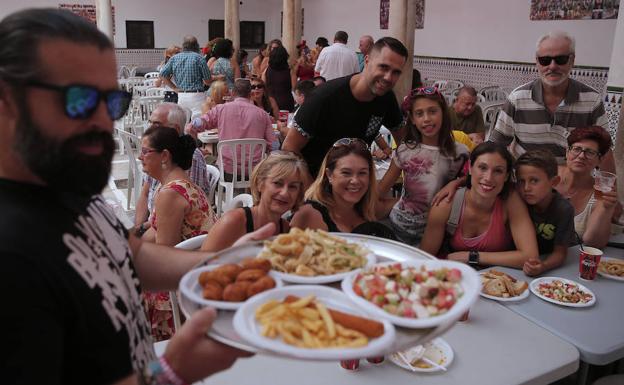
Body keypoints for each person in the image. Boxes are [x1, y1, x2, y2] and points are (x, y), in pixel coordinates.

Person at [0, 8, 258, 385]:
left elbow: (129, 253)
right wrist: (171, 371)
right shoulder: (11, 255)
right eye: (79, 100)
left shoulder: (63, 188)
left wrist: (227, 265)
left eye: (111, 102)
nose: (104, 122)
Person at [488, 31, 613, 172]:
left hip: (572, 180)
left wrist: (608, 187)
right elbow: (497, 145)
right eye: (545, 60)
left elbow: (605, 151)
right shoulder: (518, 99)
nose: (552, 66)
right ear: (537, 62)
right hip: (527, 180)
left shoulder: (591, 101)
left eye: (561, 59)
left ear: (572, 60)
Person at [283, 37, 408, 178]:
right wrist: (312, 193)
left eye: (396, 72)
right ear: (367, 61)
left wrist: (381, 190)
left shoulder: (386, 98)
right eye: (383, 67)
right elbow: (289, 148)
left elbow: (405, 144)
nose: (388, 77)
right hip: (316, 183)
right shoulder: (324, 97)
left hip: (355, 187)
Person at [139, 125, 215, 340]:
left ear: (164, 156)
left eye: (145, 151)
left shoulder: (170, 193)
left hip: (184, 285)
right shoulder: (180, 183)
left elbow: (164, 253)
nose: (139, 156)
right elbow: (154, 232)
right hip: (194, 271)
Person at [420, 143, 538, 268]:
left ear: (506, 176)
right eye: (482, 168)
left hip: (501, 281)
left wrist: (471, 256)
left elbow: (530, 257)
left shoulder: (510, 201)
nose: (488, 178)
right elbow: (423, 260)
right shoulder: (445, 205)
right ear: (470, 168)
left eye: (498, 171)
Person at [377, 87, 469, 246]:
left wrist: (457, 182)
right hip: (398, 227)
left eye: (432, 111)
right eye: (419, 114)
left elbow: (474, 178)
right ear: (412, 119)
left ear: (443, 113)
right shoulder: (405, 150)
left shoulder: (460, 153)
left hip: (435, 233)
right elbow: (382, 188)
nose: (426, 119)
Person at [201, 152, 308, 252]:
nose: (285, 193)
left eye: (293, 187)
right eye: (278, 183)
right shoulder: (233, 222)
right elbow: (201, 266)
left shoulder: (287, 231)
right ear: (260, 184)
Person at [291, 138, 393, 239]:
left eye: (362, 173)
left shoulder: (368, 210)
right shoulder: (308, 214)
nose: (355, 180)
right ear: (329, 175)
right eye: (346, 173)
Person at [134, 103, 212, 233]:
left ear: (175, 129)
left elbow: (170, 221)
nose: (150, 128)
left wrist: (139, 231)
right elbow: (145, 194)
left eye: (157, 124)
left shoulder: (186, 160)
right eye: (150, 123)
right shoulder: (159, 159)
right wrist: (138, 227)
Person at [187, 78, 274, 180]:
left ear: (232, 93)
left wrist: (194, 139)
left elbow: (195, 125)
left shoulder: (221, 109)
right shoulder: (262, 114)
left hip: (226, 172)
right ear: (250, 94)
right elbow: (272, 144)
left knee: (207, 159)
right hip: (254, 173)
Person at [556, 126, 618, 249]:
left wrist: (607, 210)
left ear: (600, 160)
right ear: (567, 152)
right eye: (576, 149)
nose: (581, 156)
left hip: (572, 260)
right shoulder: (548, 176)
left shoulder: (600, 191)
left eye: (590, 152)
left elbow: (594, 243)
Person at [515, 150, 575, 276]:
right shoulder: (517, 202)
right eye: (521, 181)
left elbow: (560, 253)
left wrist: (543, 266)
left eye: (534, 181)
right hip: (516, 263)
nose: (526, 188)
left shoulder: (563, 210)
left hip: (546, 265)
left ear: (553, 182)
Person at [159, 35, 211, 116]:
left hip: (182, 96)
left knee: (183, 124)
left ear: (183, 45)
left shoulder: (174, 58)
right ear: (196, 46)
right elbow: (208, 81)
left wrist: (174, 87)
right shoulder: (199, 58)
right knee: (198, 124)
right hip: (197, 96)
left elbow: (162, 75)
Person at [263, 45, 296, 112]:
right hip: (286, 101)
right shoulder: (290, 71)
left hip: (270, 101)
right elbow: (294, 87)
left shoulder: (266, 70)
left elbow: (263, 84)